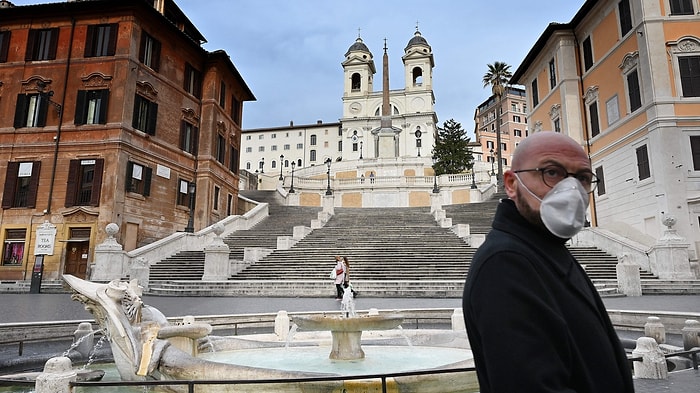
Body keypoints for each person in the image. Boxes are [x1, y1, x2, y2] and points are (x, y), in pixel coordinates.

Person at [462, 132, 634, 393]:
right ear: (511, 183)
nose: (572, 189)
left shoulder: (545, 248)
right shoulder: (505, 265)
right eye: (552, 173)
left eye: (583, 178)